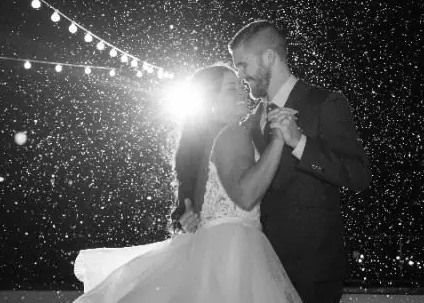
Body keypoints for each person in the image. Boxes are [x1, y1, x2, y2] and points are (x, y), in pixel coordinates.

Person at [72, 64, 302, 303]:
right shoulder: (232, 134)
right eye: (231, 88)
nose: (243, 91)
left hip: (210, 251)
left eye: (241, 85)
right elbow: (245, 196)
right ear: (210, 100)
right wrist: (278, 140)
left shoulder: (214, 141)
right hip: (233, 250)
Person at [229, 20, 372, 303]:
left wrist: (300, 143)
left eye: (243, 65)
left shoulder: (325, 103)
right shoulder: (246, 123)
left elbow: (358, 176)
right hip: (259, 266)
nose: (240, 75)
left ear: (269, 57)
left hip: (312, 269)